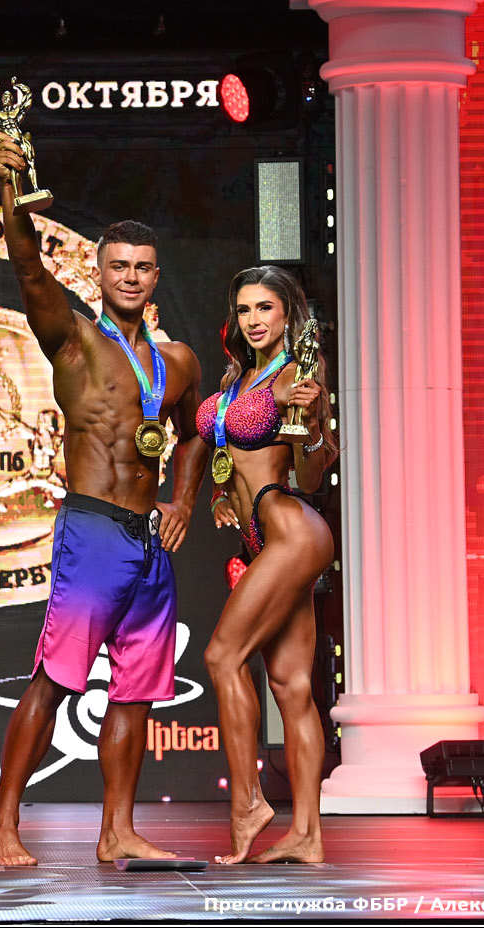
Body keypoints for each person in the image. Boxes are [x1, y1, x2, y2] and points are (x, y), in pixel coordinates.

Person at [0, 131, 208, 866]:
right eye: (119, 266)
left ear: (155, 274)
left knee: (135, 692)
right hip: (92, 531)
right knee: (54, 679)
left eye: (142, 267)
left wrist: (182, 502)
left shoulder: (177, 362)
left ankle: (118, 830)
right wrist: (11, 189)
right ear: (98, 271)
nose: (131, 277)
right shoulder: (74, 339)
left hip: (149, 539)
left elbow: (195, 434)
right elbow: (26, 266)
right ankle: (4, 825)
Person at [197, 265, 336, 864]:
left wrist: (312, 427)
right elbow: (230, 453)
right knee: (291, 685)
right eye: (245, 309)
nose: (254, 320)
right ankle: (307, 834)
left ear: (287, 315)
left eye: (265, 309)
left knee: (221, 656)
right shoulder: (239, 378)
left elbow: (312, 474)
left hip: (292, 530)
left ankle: (249, 802)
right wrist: (220, 493)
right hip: (262, 538)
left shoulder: (296, 375)